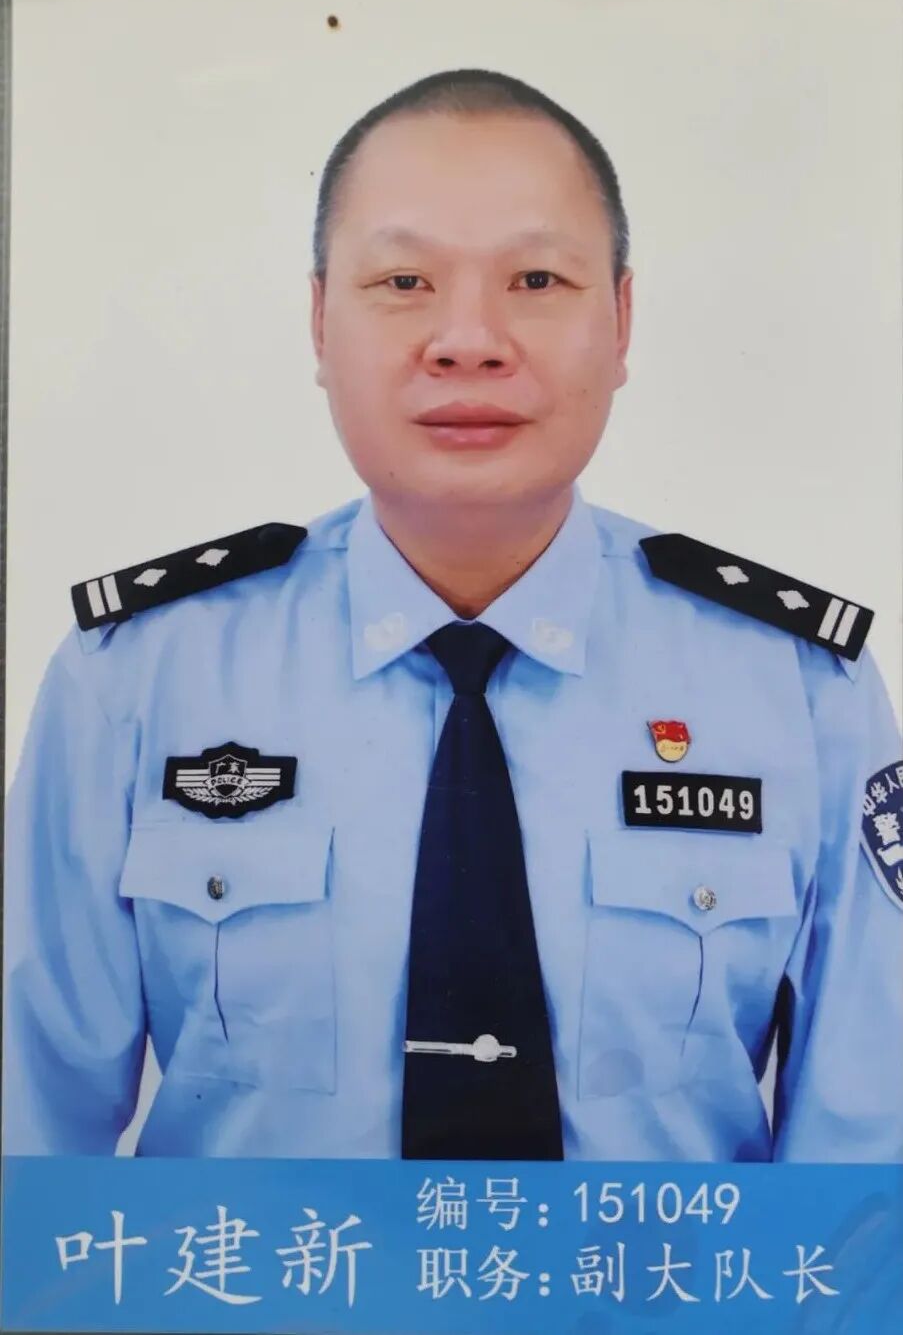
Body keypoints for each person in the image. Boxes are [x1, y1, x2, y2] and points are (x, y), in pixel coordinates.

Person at [4, 67, 902, 1161]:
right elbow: (26, 1144)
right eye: (404, 280)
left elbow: (869, 1170)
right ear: (319, 320)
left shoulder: (798, 690)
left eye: (536, 277)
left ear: (621, 321)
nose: (468, 339)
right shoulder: (138, 677)